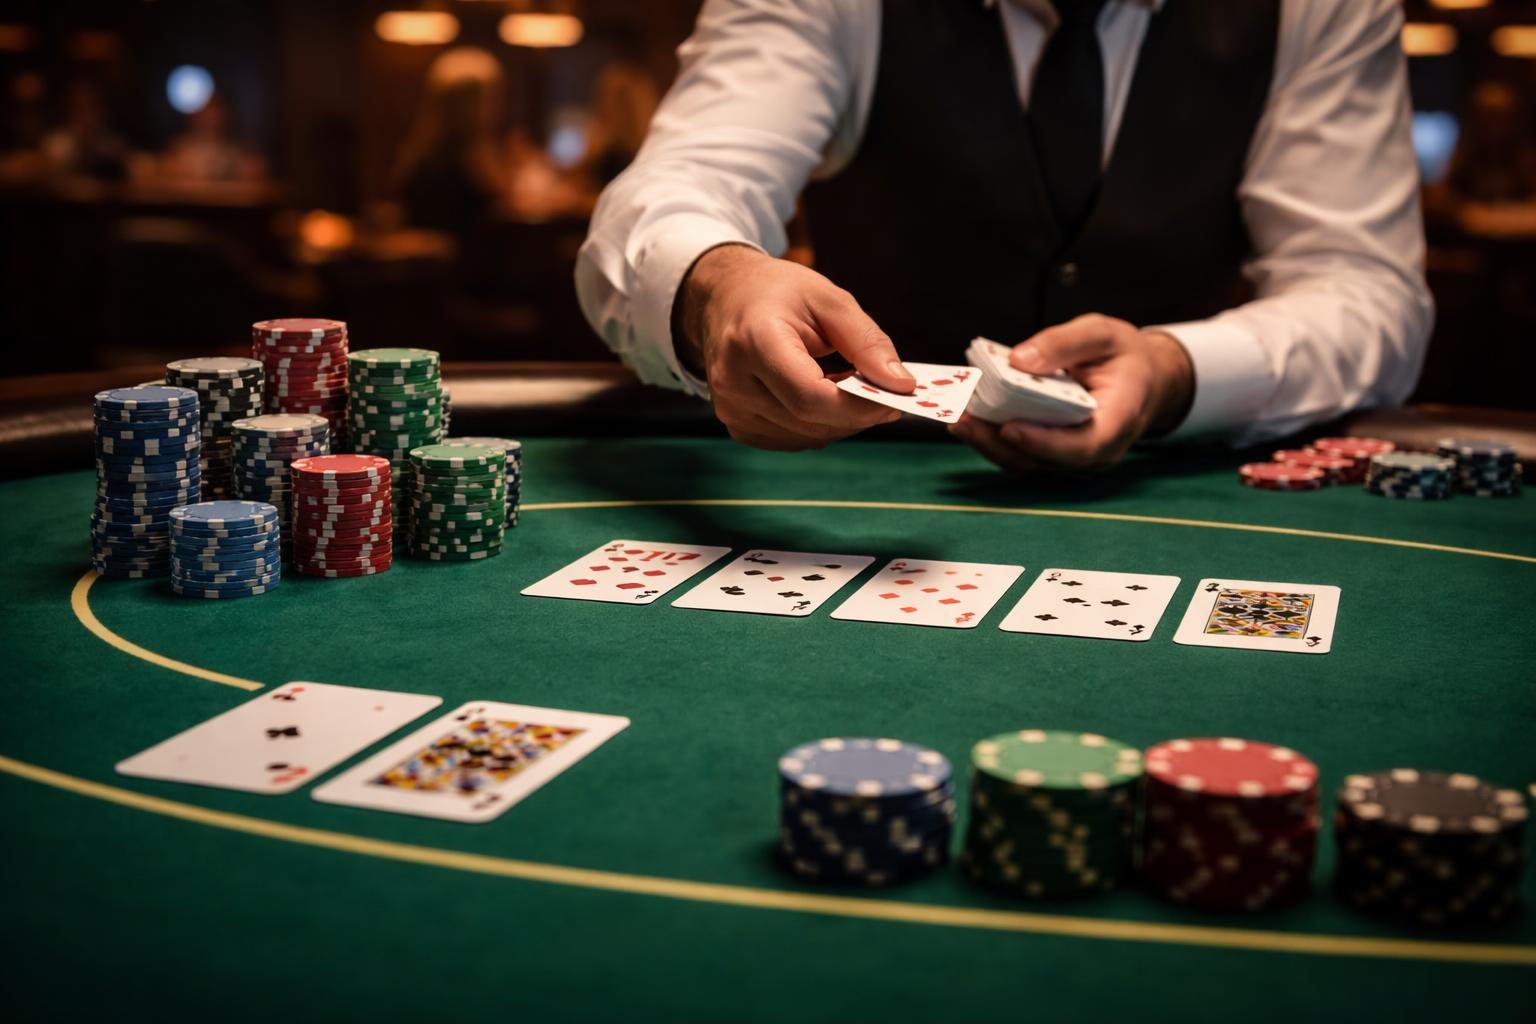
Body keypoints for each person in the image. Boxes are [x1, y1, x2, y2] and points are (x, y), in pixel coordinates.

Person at [576, 0, 1433, 473]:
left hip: (1173, 483)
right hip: (864, 485)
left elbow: (1367, 293)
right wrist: (720, 284)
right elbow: (678, 186)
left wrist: (1175, 370)